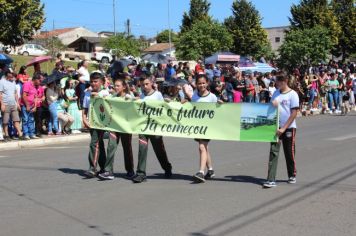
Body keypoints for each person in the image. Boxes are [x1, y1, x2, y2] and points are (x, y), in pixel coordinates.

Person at [132, 74, 172, 183]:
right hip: (144, 127)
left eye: (146, 84)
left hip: (155, 127)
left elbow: (163, 109)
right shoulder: (141, 96)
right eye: (142, 85)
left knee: (159, 149)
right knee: (142, 149)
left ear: (151, 83)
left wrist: (167, 102)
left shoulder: (157, 95)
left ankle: (167, 167)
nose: (144, 86)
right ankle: (141, 173)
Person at [263, 74, 299, 188]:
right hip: (276, 127)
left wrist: (284, 128)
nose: (278, 83)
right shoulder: (276, 93)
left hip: (288, 127)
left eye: (280, 81)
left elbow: (294, 113)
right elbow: (270, 108)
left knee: (289, 152)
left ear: (286, 81)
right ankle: (271, 179)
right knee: (273, 152)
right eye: (277, 80)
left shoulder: (293, 94)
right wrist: (272, 104)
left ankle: (292, 174)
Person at [98, 78, 135, 180]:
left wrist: (131, 100)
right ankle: (108, 171)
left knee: (127, 148)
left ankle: (130, 170)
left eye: (118, 85)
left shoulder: (129, 96)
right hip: (114, 127)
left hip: (125, 127)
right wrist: (100, 97)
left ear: (123, 87)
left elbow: (134, 108)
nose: (116, 87)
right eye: (115, 85)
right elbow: (104, 101)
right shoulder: (113, 96)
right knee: (111, 146)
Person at [190, 74, 221, 183]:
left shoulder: (212, 96)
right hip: (198, 127)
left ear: (207, 83)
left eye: (203, 83)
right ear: (196, 84)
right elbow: (191, 109)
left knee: (202, 147)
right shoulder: (194, 96)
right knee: (205, 148)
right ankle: (211, 170)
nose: (201, 85)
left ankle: (201, 172)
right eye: (199, 83)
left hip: (208, 126)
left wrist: (220, 104)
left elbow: (218, 110)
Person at [82, 72, 110, 178]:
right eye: (92, 81)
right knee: (99, 144)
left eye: (96, 81)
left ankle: (92, 168)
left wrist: (98, 96)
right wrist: (84, 119)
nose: (93, 84)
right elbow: (85, 109)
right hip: (92, 122)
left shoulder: (105, 93)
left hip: (102, 123)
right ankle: (103, 167)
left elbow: (109, 105)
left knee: (94, 143)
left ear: (102, 82)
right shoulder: (87, 94)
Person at [0, 70, 24, 141]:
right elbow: (0, 94)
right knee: (5, 121)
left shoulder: (13, 82)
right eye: (11, 74)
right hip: (6, 104)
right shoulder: (1, 82)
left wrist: (17, 103)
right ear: (7, 74)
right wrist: (2, 104)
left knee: (16, 120)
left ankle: (20, 134)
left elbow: (15, 93)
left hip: (13, 104)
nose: (13, 75)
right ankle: (6, 135)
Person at [21, 73, 44, 139]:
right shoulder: (27, 84)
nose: (40, 82)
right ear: (36, 79)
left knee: (31, 120)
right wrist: (27, 105)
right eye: (39, 80)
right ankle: (26, 134)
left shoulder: (35, 86)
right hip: (25, 105)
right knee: (25, 119)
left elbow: (36, 97)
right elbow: (24, 96)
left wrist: (35, 107)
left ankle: (32, 133)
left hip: (32, 105)